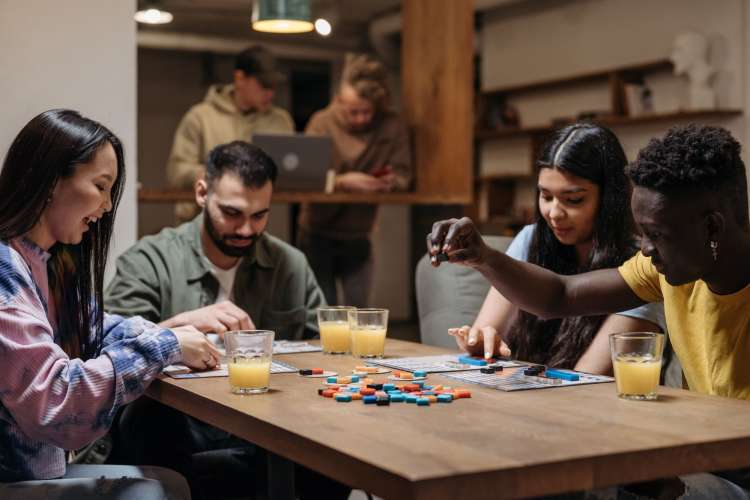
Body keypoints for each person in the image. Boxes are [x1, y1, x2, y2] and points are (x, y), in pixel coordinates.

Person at [429, 124, 750, 498]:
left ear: (712, 227)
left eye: (656, 235)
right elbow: (560, 296)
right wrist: (483, 257)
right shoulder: (665, 270)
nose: (644, 250)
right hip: (695, 460)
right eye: (642, 233)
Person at [105, 141, 346, 499]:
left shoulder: (289, 264)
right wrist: (182, 325)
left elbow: (323, 353)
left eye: (260, 215)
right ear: (202, 193)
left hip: (267, 424)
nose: (247, 229)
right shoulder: (149, 259)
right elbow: (106, 350)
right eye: (233, 213)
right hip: (178, 425)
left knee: (331, 460)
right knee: (152, 420)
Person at [0, 109, 220, 499]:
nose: (105, 207)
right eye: (101, 186)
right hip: (12, 477)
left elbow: (96, 327)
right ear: (51, 181)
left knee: (170, 481)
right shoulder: (5, 269)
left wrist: (168, 336)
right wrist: (164, 345)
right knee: (159, 490)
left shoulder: (45, 260)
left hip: (37, 468)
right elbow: (58, 403)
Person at [449, 123, 664, 375]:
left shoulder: (643, 265)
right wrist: (481, 343)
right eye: (546, 196)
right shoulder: (530, 238)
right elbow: (485, 338)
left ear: (609, 198)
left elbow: (588, 379)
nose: (554, 213)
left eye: (573, 200)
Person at [297, 53, 412, 307]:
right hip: (316, 231)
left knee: (360, 314)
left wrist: (389, 182)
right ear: (339, 101)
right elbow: (303, 177)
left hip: (359, 233)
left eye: (367, 112)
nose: (361, 118)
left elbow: (405, 174)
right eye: (353, 112)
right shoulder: (321, 122)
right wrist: (341, 181)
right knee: (321, 313)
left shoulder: (392, 126)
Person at [167, 45, 294, 222]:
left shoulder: (281, 120)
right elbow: (177, 172)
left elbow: (292, 172)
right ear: (240, 78)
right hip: (202, 225)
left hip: (257, 227)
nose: (270, 93)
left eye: (273, 86)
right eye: (264, 85)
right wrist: (216, 175)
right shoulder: (200, 117)